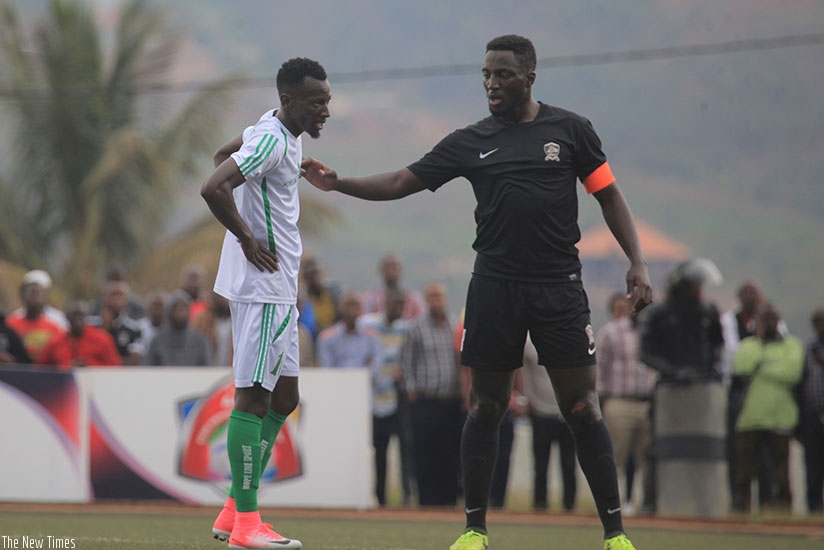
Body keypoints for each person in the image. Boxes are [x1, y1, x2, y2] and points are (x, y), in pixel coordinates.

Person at [302, 34, 652, 550]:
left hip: (559, 288)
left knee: (581, 407)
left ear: (529, 77)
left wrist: (637, 262)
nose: (491, 83)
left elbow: (609, 195)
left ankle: (615, 534)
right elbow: (403, 180)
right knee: (487, 407)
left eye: (503, 74)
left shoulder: (572, 131)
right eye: (486, 74)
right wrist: (340, 183)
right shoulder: (471, 141)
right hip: (494, 288)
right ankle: (474, 530)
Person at [200, 56, 330, 550]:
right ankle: (248, 527)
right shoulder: (274, 138)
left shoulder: (275, 134)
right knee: (253, 398)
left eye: (327, 101)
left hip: (277, 291)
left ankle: (234, 509)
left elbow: (221, 154)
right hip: (263, 289)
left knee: (285, 397)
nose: (325, 110)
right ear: (289, 101)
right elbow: (214, 185)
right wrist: (247, 238)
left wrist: (295, 167)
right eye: (317, 102)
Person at [731, 303, 803, 513]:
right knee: (744, 470)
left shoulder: (792, 345)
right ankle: (740, 508)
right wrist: (763, 348)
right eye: (766, 320)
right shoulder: (749, 345)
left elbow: (792, 373)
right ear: (759, 323)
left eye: (774, 320)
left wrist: (762, 366)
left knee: (781, 469)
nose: (771, 324)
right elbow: (741, 368)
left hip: (781, 416)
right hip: (751, 416)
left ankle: (782, 509)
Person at [720, 280, 786, 504]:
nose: (750, 297)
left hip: (771, 404)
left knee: (770, 458)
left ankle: (768, 502)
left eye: (754, 293)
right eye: (746, 293)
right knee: (739, 453)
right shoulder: (729, 322)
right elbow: (736, 361)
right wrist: (760, 346)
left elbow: (786, 362)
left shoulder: (777, 326)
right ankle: (739, 503)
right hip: (740, 396)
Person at [399, 282, 464, 507]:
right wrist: (412, 391)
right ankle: (427, 502)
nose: (437, 301)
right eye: (432, 297)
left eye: (440, 297)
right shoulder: (416, 328)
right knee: (425, 452)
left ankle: (448, 501)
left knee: (450, 453)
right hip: (425, 400)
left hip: (450, 401)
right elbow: (407, 362)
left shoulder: (454, 326)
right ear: (426, 301)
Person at [595, 293, 657, 516]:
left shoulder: (652, 331)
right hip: (619, 402)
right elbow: (599, 370)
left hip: (647, 403)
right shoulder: (611, 332)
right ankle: (612, 508)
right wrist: (601, 403)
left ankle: (642, 507)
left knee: (647, 460)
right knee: (614, 459)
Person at [359, 288, 413, 506]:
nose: (398, 308)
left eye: (402, 304)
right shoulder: (368, 325)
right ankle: (379, 497)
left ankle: (407, 497)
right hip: (372, 399)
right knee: (378, 450)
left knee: (404, 448)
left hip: (396, 396)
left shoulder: (406, 329)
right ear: (385, 303)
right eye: (395, 303)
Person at [522, 335, 577, 512]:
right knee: (540, 465)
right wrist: (528, 400)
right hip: (540, 412)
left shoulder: (570, 339)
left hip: (566, 413)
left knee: (568, 464)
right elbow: (523, 372)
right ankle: (540, 505)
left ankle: (569, 506)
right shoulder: (530, 345)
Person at [36, 299, 121, 370]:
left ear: (86, 316)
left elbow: (116, 369)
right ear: (66, 317)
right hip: (65, 386)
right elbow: (40, 368)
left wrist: (89, 366)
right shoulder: (56, 341)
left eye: (81, 315)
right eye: (74, 315)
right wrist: (65, 369)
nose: (77, 320)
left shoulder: (103, 339)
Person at [143, 290, 211, 367]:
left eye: (183, 307)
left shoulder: (199, 341)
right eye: (176, 307)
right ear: (169, 311)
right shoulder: (157, 341)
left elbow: (206, 368)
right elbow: (148, 368)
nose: (180, 311)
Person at [316, 291, 381, 369]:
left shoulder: (371, 336)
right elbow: (326, 367)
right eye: (348, 305)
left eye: (355, 305)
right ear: (340, 307)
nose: (351, 310)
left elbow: (376, 365)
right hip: (336, 380)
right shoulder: (327, 337)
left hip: (364, 380)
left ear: (360, 308)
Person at [800, 307, 824, 513]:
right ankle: (814, 507)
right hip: (813, 415)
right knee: (813, 464)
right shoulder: (809, 348)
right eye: (818, 322)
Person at [88, 280, 146, 366]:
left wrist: (110, 362)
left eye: (120, 295)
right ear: (105, 297)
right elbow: (87, 352)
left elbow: (135, 359)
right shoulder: (90, 324)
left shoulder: (134, 328)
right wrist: (104, 328)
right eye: (113, 294)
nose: (116, 299)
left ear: (126, 300)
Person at [6, 275, 65, 359]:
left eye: (38, 293)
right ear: (23, 296)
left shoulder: (54, 327)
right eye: (32, 293)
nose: (35, 297)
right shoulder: (10, 323)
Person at [362, 253, 425, 320]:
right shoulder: (371, 298)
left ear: (401, 270)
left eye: (394, 267)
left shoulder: (414, 298)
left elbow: (420, 320)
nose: (391, 271)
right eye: (387, 267)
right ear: (381, 270)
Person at [300, 255, 340, 337]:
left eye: (316, 274)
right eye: (310, 275)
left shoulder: (333, 292)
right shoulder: (303, 300)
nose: (314, 279)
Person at [194, 289, 234, 366]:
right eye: (219, 296)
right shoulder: (203, 320)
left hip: (231, 369)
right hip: (210, 369)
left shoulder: (236, 321)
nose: (222, 299)